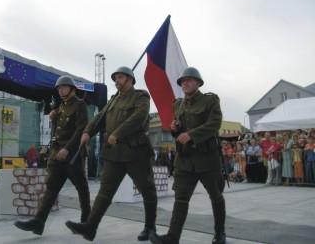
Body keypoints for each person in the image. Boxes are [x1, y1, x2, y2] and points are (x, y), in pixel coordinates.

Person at [68, 66, 160, 241]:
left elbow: (139, 117)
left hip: (136, 152)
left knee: (147, 191)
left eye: (120, 77)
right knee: (105, 192)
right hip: (114, 154)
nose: (116, 80)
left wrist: (117, 133)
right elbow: (99, 118)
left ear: (130, 79)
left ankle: (150, 227)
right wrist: (87, 132)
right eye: (115, 78)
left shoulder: (141, 96)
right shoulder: (113, 100)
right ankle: (90, 227)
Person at [156, 68, 226, 244]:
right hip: (185, 160)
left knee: (216, 196)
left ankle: (220, 233)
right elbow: (180, 132)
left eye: (189, 80)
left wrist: (192, 134)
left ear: (198, 82)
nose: (184, 83)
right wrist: (175, 129)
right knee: (180, 199)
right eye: (182, 81)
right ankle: (173, 237)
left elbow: (214, 124)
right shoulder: (178, 104)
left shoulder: (209, 100)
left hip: (207, 159)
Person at [16, 76, 93, 235]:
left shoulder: (79, 105)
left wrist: (67, 149)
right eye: (59, 88)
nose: (60, 90)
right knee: (51, 188)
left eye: (64, 87)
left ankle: (87, 221)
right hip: (57, 155)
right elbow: (59, 128)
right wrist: (54, 115)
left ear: (72, 89)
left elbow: (80, 129)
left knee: (81, 187)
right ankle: (39, 222)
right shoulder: (62, 107)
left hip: (72, 155)